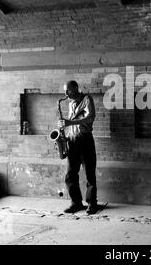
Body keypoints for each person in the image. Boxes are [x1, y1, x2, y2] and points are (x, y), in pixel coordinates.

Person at [57, 80, 98, 214]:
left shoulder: (87, 99)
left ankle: (92, 203)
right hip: (72, 141)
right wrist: (64, 134)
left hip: (85, 139)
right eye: (65, 91)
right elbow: (70, 124)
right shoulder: (71, 104)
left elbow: (90, 117)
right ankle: (76, 202)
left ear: (76, 88)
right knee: (70, 174)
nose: (66, 93)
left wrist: (70, 122)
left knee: (89, 173)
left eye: (68, 90)